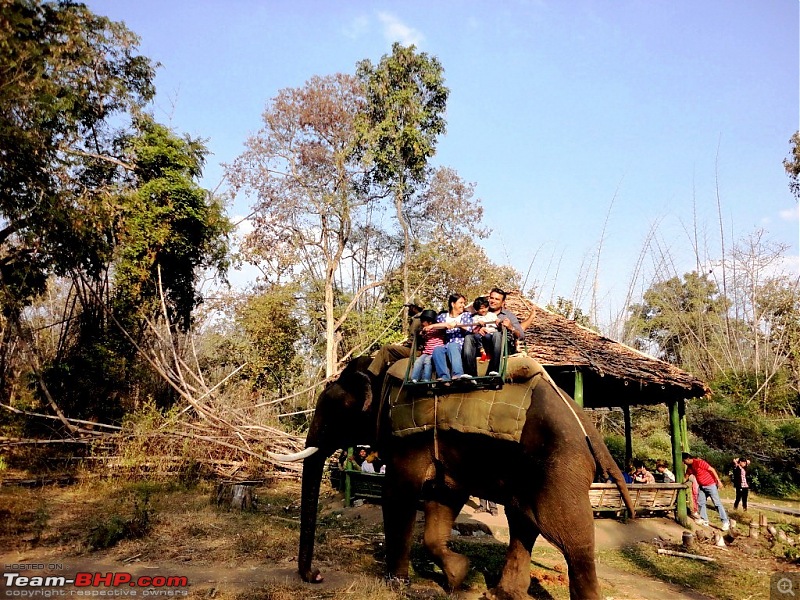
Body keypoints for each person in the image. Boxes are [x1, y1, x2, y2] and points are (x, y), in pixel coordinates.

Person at [462, 288, 524, 378]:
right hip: (481, 342)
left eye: (497, 299)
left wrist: (510, 327)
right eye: (492, 298)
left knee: (497, 335)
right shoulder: (479, 312)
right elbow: (469, 326)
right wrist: (477, 328)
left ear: (503, 302)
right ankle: (470, 374)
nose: (493, 301)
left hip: (498, 344)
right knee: (468, 337)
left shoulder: (509, 315)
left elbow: (521, 335)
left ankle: (494, 370)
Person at [367, 300, 425, 380]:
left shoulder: (417, 320)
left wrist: (404, 345)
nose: (408, 309)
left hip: (416, 350)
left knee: (385, 348)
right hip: (419, 349)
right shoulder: (423, 318)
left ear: (414, 308)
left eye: (410, 307)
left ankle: (371, 374)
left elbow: (413, 339)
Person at [430, 294, 473, 383]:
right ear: (453, 304)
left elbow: (470, 329)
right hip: (446, 344)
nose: (463, 305)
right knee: (437, 349)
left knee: (452, 346)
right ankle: (444, 376)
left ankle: (458, 374)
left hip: (460, 344)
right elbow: (437, 326)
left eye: (464, 303)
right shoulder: (443, 317)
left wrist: (458, 324)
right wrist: (445, 325)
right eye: (460, 303)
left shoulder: (466, 315)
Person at [683, 452, 730, 530]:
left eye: (684, 461)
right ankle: (705, 519)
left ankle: (725, 521)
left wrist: (718, 481)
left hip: (710, 485)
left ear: (687, 459)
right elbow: (686, 477)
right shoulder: (690, 467)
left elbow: (712, 469)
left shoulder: (699, 462)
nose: (683, 463)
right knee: (700, 502)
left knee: (717, 503)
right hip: (702, 486)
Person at [410, 309, 445, 382]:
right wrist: (422, 332)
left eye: (423, 321)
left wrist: (432, 326)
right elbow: (420, 335)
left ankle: (426, 379)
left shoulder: (437, 329)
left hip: (434, 353)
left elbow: (443, 326)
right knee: (418, 361)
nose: (422, 323)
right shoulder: (424, 330)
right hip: (426, 352)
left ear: (430, 321)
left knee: (427, 361)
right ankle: (414, 378)